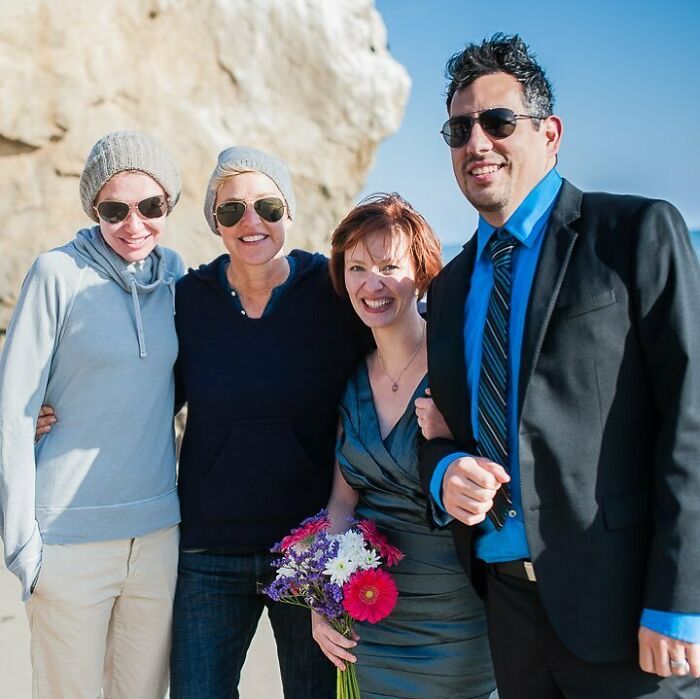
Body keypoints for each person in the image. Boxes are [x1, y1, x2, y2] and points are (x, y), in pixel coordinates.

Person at [418, 33, 700, 699]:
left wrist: (679, 598)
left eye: (497, 121)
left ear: (550, 133)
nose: (476, 142)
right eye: (460, 129)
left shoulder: (636, 233)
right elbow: (442, 430)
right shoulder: (452, 285)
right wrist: (442, 473)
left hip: (626, 606)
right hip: (507, 609)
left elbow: (690, 417)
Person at [169, 146, 370, 699]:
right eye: (231, 211)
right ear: (214, 221)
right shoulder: (187, 301)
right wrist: (57, 411)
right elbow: (146, 396)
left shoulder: (332, 292)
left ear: (289, 212)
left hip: (309, 548)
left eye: (267, 206)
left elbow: (394, 358)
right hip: (208, 553)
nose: (250, 222)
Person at [0, 131, 184, 698]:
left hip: (156, 537)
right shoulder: (56, 274)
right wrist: (23, 547)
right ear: (93, 209)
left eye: (150, 207)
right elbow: (14, 411)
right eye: (115, 209)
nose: (135, 225)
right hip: (68, 541)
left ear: (168, 206)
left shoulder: (176, 276)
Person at [310, 193, 496, 699]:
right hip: (372, 622)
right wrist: (322, 597)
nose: (373, 284)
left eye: (390, 266)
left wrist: (450, 438)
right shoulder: (350, 379)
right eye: (357, 267)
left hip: (457, 621)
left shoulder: (460, 364)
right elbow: (342, 502)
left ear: (423, 272)